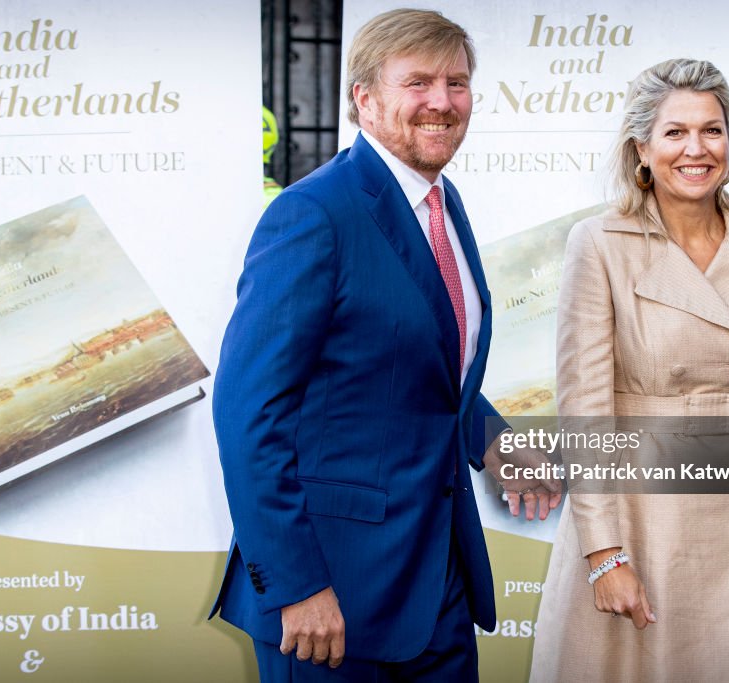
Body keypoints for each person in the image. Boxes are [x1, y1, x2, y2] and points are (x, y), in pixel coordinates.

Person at [210, 9, 559, 681]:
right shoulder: (312, 215)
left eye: (457, 83)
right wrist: (294, 584)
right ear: (363, 100)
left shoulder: (442, 201)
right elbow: (247, 412)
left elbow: (408, 360)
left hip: (437, 581)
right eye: (418, 82)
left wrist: (491, 437)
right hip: (329, 601)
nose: (442, 101)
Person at [529, 59, 729, 682]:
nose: (697, 149)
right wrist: (605, 554)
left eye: (712, 130)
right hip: (640, 515)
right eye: (675, 132)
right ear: (641, 147)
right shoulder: (599, 241)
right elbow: (585, 410)